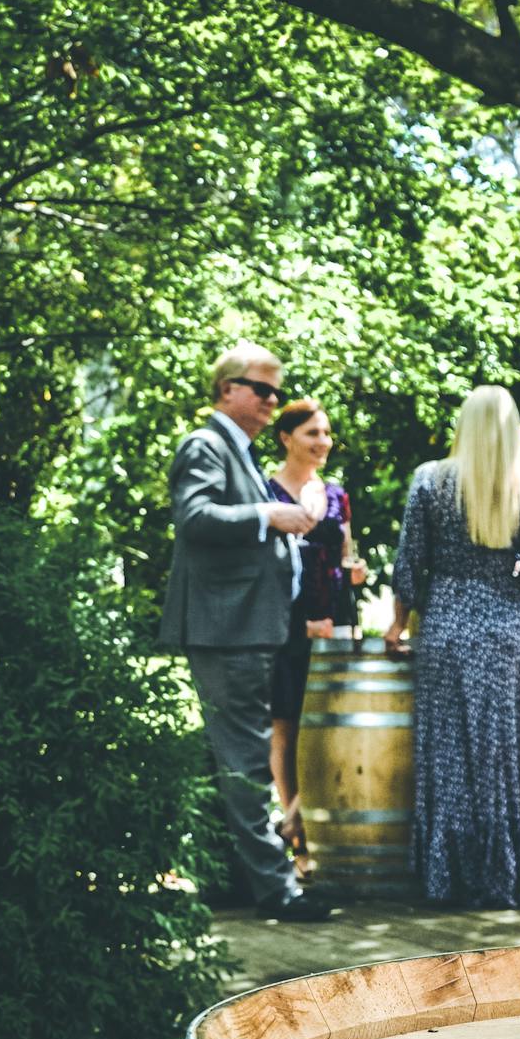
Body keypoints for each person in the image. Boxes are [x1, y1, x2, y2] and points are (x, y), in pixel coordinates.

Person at [157, 346, 336, 921]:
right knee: (245, 761)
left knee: (228, 758)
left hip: (245, 626)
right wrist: (269, 515)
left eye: (276, 393)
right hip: (226, 629)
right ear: (226, 390)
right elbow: (195, 517)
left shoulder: (239, 450)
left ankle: (228, 882)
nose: (272, 402)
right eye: (262, 390)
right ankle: (276, 890)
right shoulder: (206, 445)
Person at [384, 387, 520, 908]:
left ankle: (451, 878)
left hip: (444, 629)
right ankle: (513, 875)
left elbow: (407, 569)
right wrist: (509, 573)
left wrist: (401, 621)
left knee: (450, 752)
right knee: (507, 754)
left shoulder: (429, 480)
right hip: (507, 631)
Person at [264, 399, 368, 864]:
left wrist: (354, 575)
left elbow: (345, 555)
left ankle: (299, 822)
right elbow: (264, 568)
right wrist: (299, 621)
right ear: (287, 438)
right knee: (285, 722)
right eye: (312, 433)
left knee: (331, 724)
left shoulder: (338, 493)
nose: (323, 442)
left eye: (326, 433)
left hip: (334, 622)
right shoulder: (266, 490)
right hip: (286, 624)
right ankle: (296, 830)